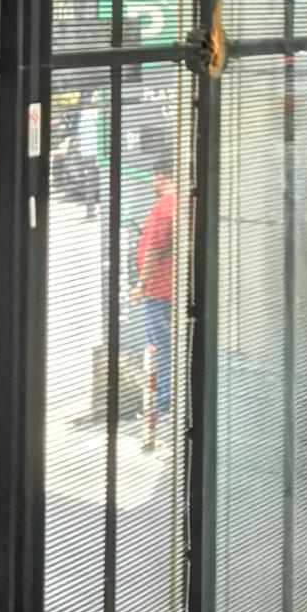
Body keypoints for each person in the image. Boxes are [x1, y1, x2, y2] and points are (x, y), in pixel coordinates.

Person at [132, 161, 177, 431]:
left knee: (161, 347)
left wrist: (141, 283)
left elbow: (154, 248)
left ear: (160, 177)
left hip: (158, 289)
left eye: (153, 177)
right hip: (171, 288)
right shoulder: (181, 202)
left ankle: (163, 404)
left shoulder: (164, 206)